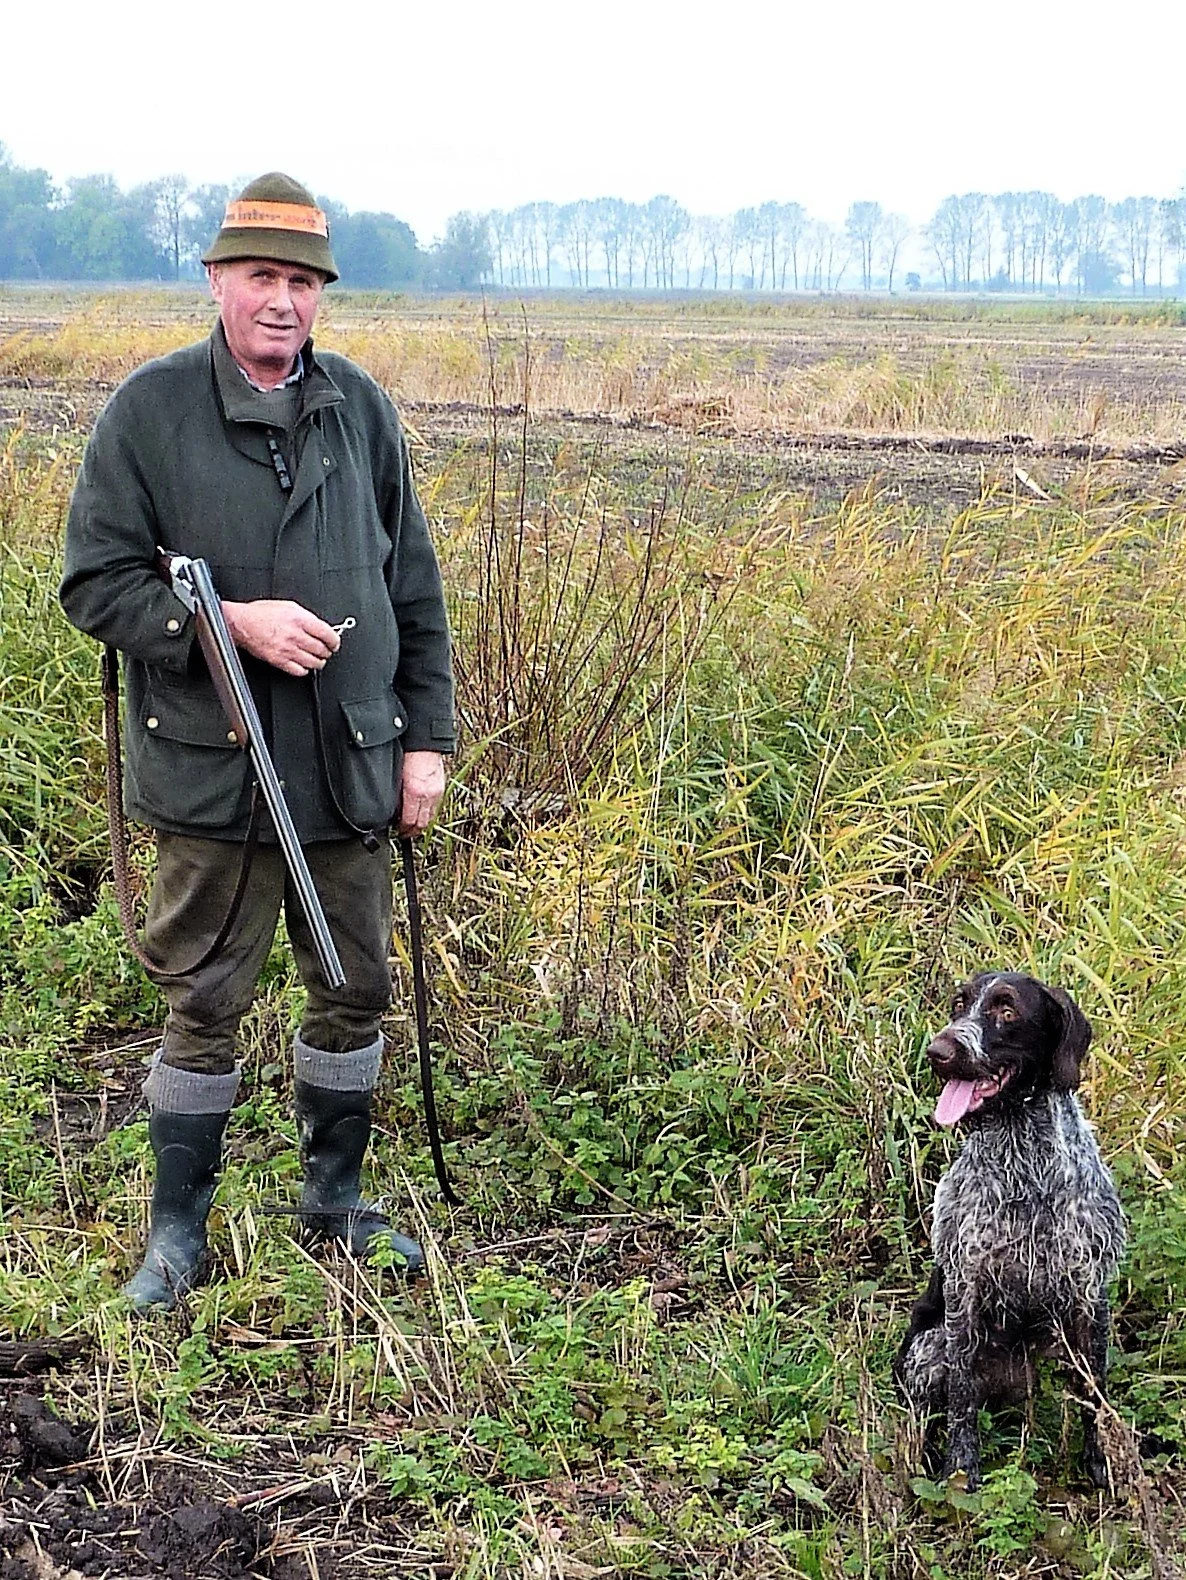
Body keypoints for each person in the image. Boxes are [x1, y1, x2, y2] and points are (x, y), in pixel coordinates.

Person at [60, 173, 456, 1312]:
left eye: (302, 282)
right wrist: (224, 624)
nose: (283, 300)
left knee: (354, 989)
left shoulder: (359, 408)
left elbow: (412, 587)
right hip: (213, 772)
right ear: (217, 280)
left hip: (346, 766)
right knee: (203, 1001)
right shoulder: (149, 411)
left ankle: (334, 1203)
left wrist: (424, 742)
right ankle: (176, 1237)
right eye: (261, 276)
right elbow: (95, 582)